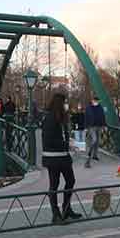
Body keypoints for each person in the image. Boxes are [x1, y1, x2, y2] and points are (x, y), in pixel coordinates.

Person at [41, 92, 82, 224]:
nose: (66, 105)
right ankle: (56, 214)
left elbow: (62, 136)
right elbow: (48, 141)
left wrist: (69, 143)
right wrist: (67, 144)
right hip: (53, 157)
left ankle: (66, 208)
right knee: (54, 185)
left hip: (63, 156)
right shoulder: (49, 118)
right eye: (65, 102)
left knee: (71, 180)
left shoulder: (61, 117)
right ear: (59, 103)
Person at [84, 95, 106, 168]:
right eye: (95, 101)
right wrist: (86, 127)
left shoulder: (100, 108)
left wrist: (104, 125)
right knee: (94, 139)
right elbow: (86, 117)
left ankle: (95, 155)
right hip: (91, 126)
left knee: (97, 141)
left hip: (99, 126)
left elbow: (103, 116)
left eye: (97, 101)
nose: (96, 102)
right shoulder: (88, 108)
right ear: (92, 101)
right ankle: (89, 153)